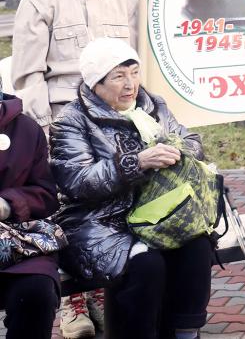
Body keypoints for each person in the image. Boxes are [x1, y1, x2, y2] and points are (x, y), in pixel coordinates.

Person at [11, 0, 137, 338]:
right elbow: (28, 75)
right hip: (62, 115)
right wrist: (42, 131)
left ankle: (101, 290)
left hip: (112, 119)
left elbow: (133, 68)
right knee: (64, 209)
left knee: (109, 206)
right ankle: (72, 303)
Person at [49, 38, 212, 339]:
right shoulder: (71, 121)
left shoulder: (153, 106)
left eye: (134, 73)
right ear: (96, 83)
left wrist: (179, 150)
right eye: (118, 76)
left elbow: (192, 142)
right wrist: (136, 162)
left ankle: (185, 333)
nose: (130, 84)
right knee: (145, 265)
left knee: (196, 245)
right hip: (98, 220)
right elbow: (77, 181)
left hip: (157, 212)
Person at [0, 90, 61, 339]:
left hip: (18, 245)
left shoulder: (25, 129)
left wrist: (8, 204)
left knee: (37, 291)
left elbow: (46, 194)